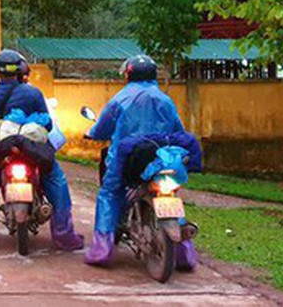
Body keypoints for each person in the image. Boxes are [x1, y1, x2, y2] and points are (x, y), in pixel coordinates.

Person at [83, 55, 199, 270]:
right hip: (161, 159)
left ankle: (102, 250)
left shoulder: (120, 99)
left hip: (128, 160)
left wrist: (91, 132)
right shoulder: (165, 100)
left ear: (128, 74)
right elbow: (178, 131)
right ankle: (185, 256)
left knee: (110, 194)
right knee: (172, 195)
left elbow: (101, 129)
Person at [0, 49, 84, 251]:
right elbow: (48, 125)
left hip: (3, 152)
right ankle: (63, 233)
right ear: (21, 70)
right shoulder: (33, 93)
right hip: (31, 152)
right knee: (56, 179)